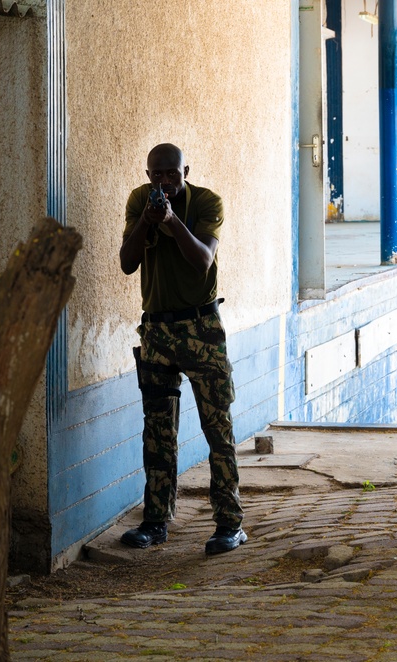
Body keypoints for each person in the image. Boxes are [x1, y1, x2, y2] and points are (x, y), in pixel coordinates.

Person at [118, 143, 247, 554]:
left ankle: (229, 523)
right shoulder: (141, 200)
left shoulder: (207, 202)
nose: (164, 182)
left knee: (217, 430)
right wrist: (146, 221)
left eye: (172, 174)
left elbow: (203, 260)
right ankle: (155, 521)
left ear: (185, 171)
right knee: (157, 432)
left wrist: (171, 222)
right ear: (148, 174)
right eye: (156, 175)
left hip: (201, 329)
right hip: (156, 330)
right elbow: (126, 262)